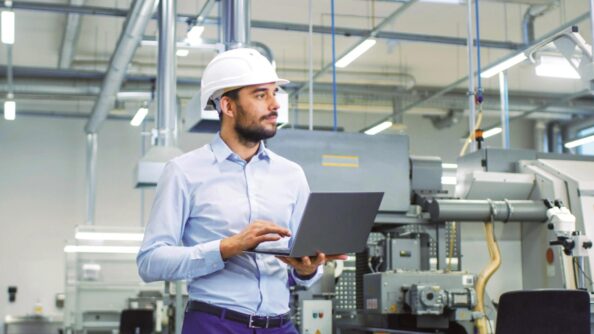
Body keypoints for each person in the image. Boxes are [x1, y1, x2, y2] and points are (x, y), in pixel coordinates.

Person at [137, 48, 345, 334]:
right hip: (214, 324)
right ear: (228, 106)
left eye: (275, 93)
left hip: (280, 326)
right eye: (261, 95)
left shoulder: (291, 174)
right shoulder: (184, 172)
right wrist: (227, 248)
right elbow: (150, 262)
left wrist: (306, 269)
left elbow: (303, 261)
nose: (275, 105)